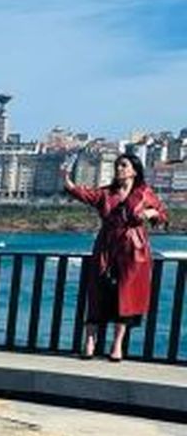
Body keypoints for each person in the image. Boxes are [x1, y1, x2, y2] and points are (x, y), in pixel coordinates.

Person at [64, 153, 168, 362]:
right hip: (107, 245)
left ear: (134, 171)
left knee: (126, 296)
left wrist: (151, 214)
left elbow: (163, 217)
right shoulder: (105, 193)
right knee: (98, 291)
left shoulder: (144, 193)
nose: (119, 169)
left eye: (123, 165)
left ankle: (117, 345)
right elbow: (81, 193)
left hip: (134, 249)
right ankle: (90, 342)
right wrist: (66, 178)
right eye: (117, 165)